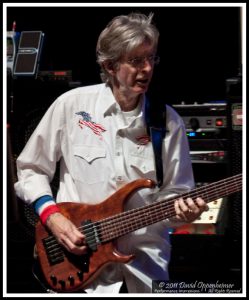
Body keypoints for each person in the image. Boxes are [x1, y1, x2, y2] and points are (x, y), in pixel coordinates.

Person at [14, 12, 208, 293]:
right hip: (76, 266)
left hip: (143, 271)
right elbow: (31, 167)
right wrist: (52, 217)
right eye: (136, 60)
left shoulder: (167, 122)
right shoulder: (72, 106)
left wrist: (184, 213)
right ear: (110, 65)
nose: (147, 69)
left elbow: (175, 197)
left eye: (151, 58)